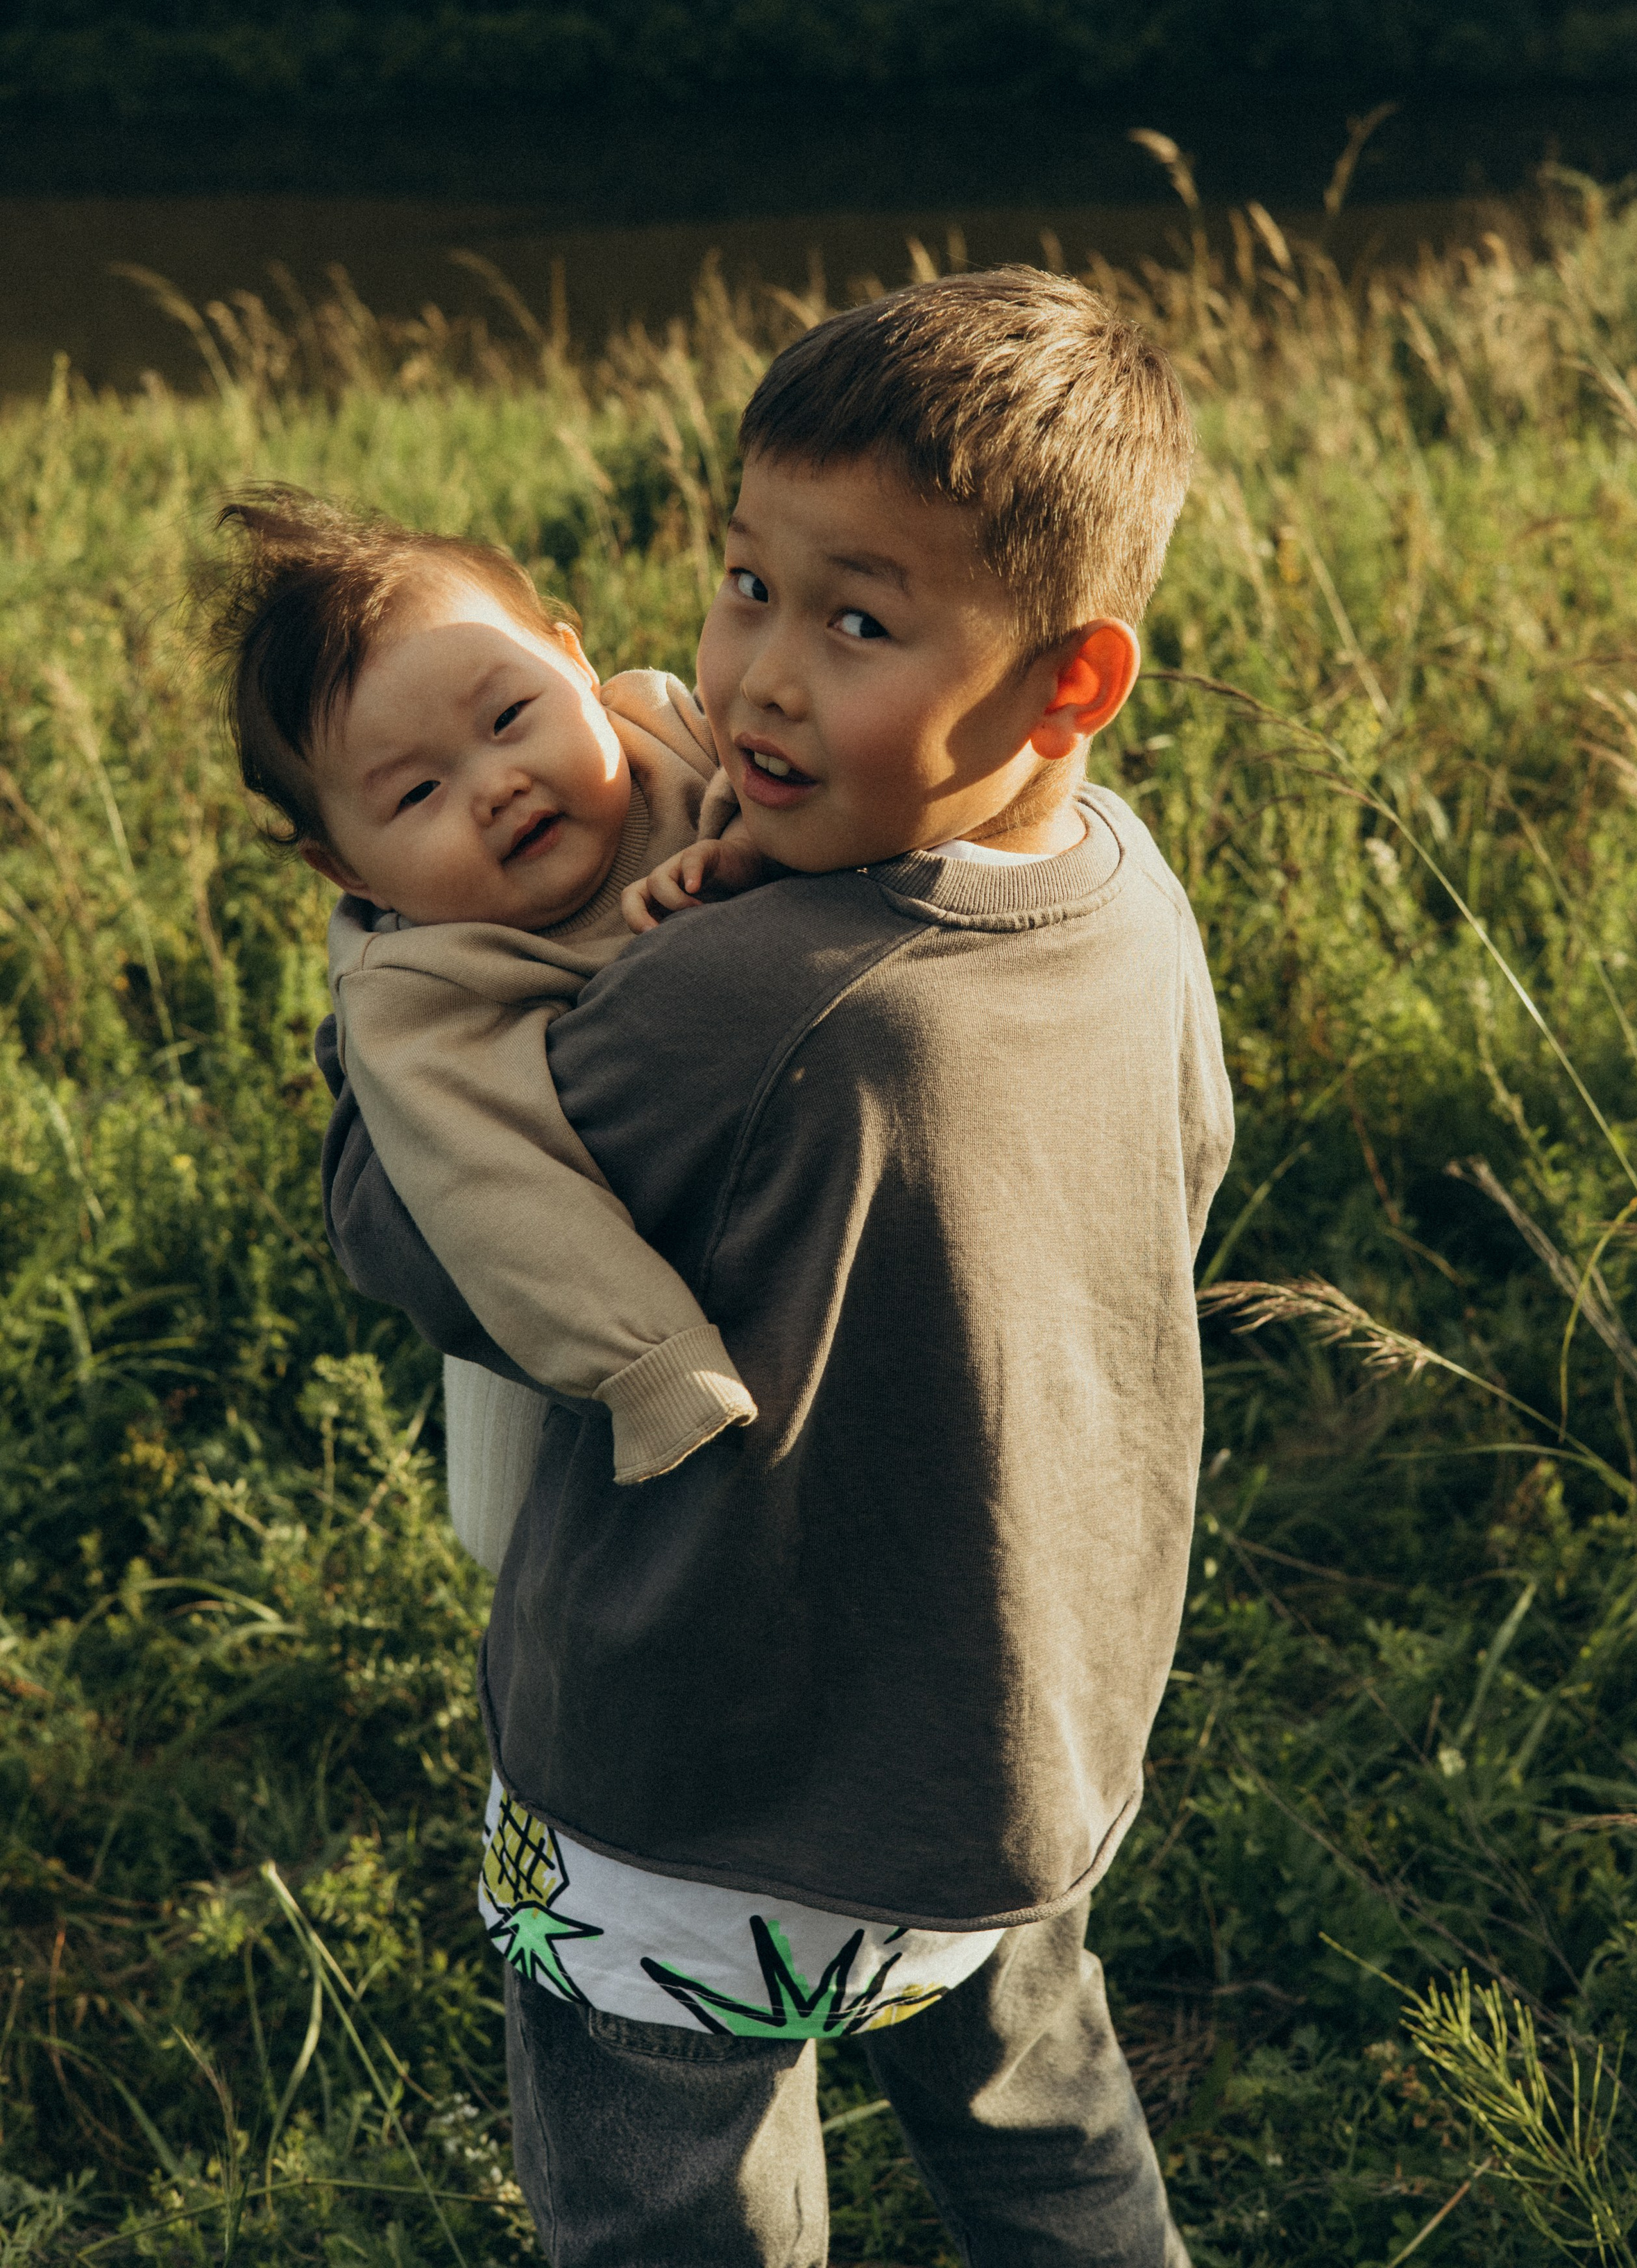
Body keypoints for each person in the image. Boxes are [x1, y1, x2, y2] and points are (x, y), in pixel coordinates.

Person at [320, 268, 1235, 2268]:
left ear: (1069, 681)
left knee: (674, 2201)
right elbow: (1189, 1168)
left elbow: (418, 1238)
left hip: (697, 1794)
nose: (752, 682)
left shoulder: (745, 989)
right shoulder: (1130, 893)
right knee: (1046, 2138)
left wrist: (385, 991)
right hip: (1008, 1744)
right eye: (744, 583)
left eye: (857, 620)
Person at [204, 492, 763, 1569]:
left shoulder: (673, 734)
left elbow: (815, 803)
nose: (496, 784)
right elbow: (496, 1197)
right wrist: (654, 1366)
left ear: (573, 662)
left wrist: (735, 845)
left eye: (510, 717)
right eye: (417, 792)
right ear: (348, 868)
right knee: (517, 1548)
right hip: (557, 1356)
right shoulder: (423, 992)